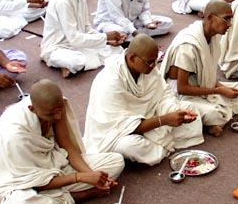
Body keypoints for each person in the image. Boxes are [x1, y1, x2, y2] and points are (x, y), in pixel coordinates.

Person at [0, 80, 125, 204]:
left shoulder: (57, 106)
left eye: (60, 111)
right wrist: (81, 177)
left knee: (116, 161)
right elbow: (34, 182)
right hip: (21, 183)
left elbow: (67, 145)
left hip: (56, 163)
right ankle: (77, 197)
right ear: (32, 109)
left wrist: (94, 177)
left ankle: (58, 203)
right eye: (51, 114)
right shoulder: (15, 136)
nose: (58, 116)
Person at [84, 34, 204, 166]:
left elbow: (164, 95)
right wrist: (164, 120)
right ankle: (163, 147)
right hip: (117, 132)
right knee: (130, 146)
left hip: (148, 118)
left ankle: (162, 142)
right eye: (150, 62)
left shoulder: (148, 68)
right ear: (132, 58)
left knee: (189, 107)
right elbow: (122, 127)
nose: (153, 66)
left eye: (155, 60)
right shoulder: (110, 82)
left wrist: (175, 111)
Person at [161, 0, 238, 137]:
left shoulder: (214, 36)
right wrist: (218, 90)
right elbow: (182, 88)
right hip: (182, 96)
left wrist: (222, 88)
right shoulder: (188, 45)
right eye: (226, 19)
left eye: (231, 19)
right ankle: (217, 116)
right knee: (214, 113)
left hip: (203, 87)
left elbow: (208, 75)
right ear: (210, 18)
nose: (229, 24)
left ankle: (216, 118)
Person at [41, 0, 124, 78]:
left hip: (78, 43)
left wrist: (106, 41)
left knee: (117, 50)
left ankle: (71, 67)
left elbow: (86, 28)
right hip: (59, 47)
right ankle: (55, 62)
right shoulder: (62, 2)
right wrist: (105, 37)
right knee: (76, 61)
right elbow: (74, 39)